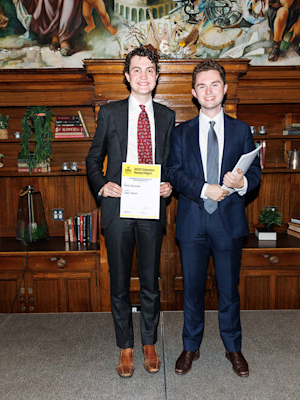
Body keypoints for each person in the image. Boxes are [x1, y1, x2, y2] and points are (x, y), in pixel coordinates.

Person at [166, 60, 261, 377]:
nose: (209, 91)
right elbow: (173, 173)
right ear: (194, 93)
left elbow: (255, 173)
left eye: (214, 84)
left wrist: (241, 183)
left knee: (229, 291)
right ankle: (190, 347)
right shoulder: (180, 133)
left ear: (225, 88)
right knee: (192, 290)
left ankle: (233, 348)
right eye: (202, 86)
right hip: (192, 223)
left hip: (228, 224)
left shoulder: (241, 130)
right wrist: (205, 189)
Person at [86, 46, 175, 378]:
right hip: (118, 208)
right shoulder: (110, 113)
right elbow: (93, 159)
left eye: (150, 70)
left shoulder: (167, 116)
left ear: (157, 76)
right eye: (136, 70)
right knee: (120, 283)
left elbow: (171, 163)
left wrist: (169, 185)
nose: (143, 76)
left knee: (151, 281)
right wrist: (102, 185)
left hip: (151, 206)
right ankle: (125, 346)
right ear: (127, 76)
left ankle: (149, 343)